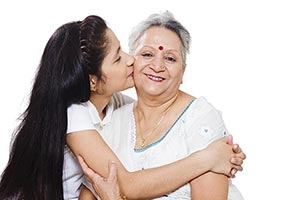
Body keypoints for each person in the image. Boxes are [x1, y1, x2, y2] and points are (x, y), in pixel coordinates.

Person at [0, 15, 245, 200]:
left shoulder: (120, 106)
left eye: (170, 58)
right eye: (119, 57)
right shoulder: (77, 114)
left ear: (183, 72)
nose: (131, 60)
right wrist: (206, 158)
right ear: (92, 81)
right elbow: (124, 185)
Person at [80, 11, 245, 199]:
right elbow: (89, 194)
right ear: (132, 62)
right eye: (148, 54)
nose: (157, 66)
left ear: (182, 73)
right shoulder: (114, 120)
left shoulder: (200, 119)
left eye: (170, 58)